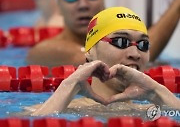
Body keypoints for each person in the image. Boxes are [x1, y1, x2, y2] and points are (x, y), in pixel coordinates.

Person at [30, 7, 180, 118]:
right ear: (90, 51)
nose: (135, 54)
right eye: (121, 42)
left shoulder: (156, 111)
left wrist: (156, 92)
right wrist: (69, 86)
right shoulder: (54, 109)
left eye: (143, 45)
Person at [26, 0, 180, 67]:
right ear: (59, 3)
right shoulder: (46, 50)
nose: (83, 4)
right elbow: (115, 59)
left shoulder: (116, 42)